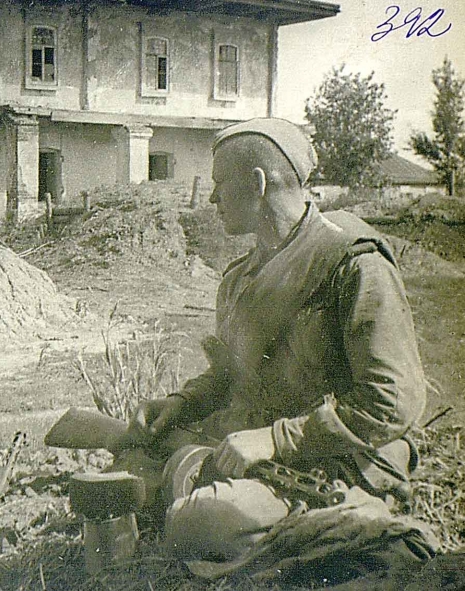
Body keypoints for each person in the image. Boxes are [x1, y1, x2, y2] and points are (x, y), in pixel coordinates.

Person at [125, 118, 428, 563]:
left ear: (257, 183)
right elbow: (232, 373)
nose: (211, 198)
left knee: (198, 522)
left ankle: (359, 520)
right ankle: (204, 487)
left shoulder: (353, 264)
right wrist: (183, 403)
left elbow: (392, 400)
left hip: (339, 460)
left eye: (219, 184)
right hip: (254, 446)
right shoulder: (239, 279)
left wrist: (274, 439)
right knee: (128, 469)